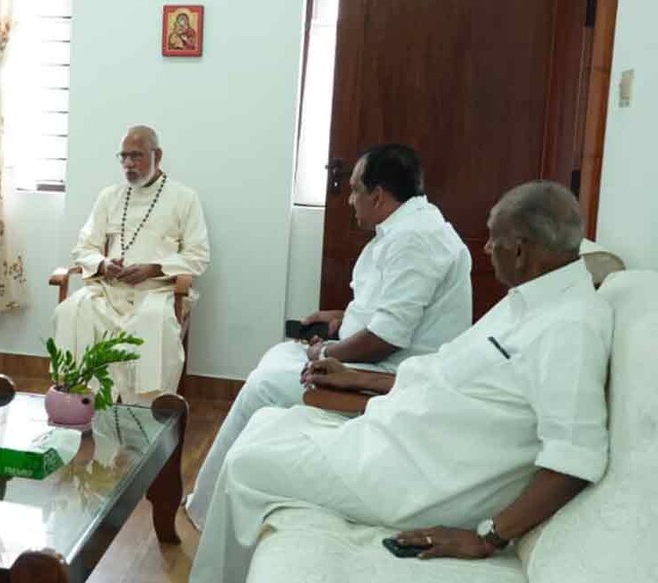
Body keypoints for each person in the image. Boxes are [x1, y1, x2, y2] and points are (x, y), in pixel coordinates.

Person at [189, 181, 611, 583]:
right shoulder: (527, 300)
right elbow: (443, 370)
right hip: (402, 439)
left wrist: (487, 537)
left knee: (247, 464)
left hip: (422, 477)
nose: (484, 249)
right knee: (264, 424)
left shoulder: (569, 328)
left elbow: (574, 458)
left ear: (520, 250)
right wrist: (358, 378)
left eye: (492, 239)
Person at [186, 143, 472, 527]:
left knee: (264, 386)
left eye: (354, 190)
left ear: (378, 196)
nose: (349, 199)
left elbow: (385, 338)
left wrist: (327, 354)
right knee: (278, 357)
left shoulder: (414, 240)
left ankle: (206, 512)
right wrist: (341, 317)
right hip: (377, 357)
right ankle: (217, 499)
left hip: (392, 376)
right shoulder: (413, 227)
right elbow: (391, 311)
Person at [53, 125, 209, 405]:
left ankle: (147, 410)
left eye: (136, 156)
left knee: (154, 321)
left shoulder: (185, 198)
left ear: (157, 156)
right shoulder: (108, 196)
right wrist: (103, 264)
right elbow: (84, 247)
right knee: (72, 311)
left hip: (157, 292)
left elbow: (198, 255)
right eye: (123, 157)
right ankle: (79, 400)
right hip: (109, 290)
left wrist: (155, 268)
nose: (128, 164)